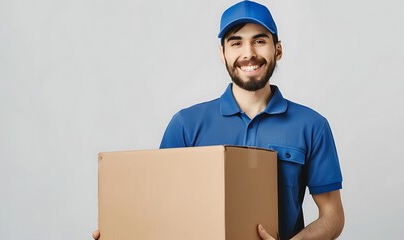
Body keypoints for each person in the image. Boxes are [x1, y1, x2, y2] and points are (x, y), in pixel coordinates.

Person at [93, 1, 344, 239]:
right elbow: (160, 209)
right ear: (222, 53)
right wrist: (120, 230)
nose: (249, 53)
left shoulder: (312, 125)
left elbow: (332, 216)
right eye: (236, 43)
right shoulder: (186, 124)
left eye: (259, 41)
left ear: (277, 49)